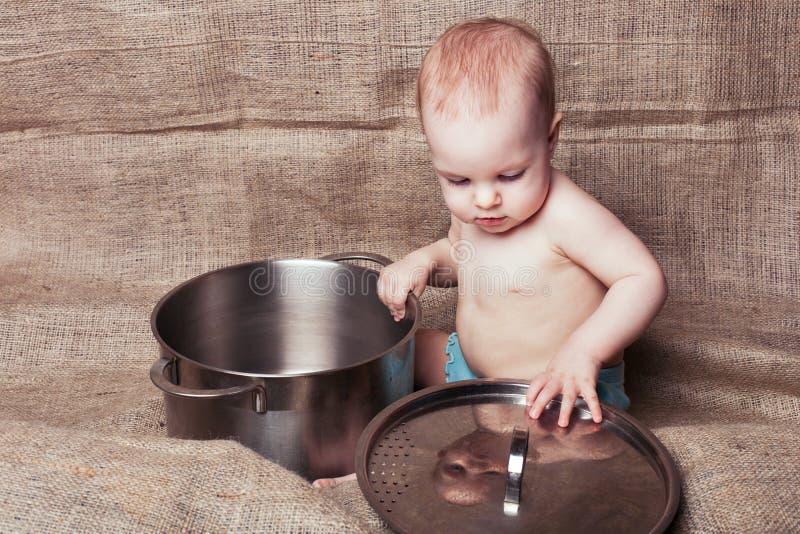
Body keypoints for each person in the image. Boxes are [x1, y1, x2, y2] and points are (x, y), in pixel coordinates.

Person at [312, 16, 666, 488]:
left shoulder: (568, 216)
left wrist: (584, 350)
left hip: (553, 395)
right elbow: (462, 254)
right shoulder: (482, 210)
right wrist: (425, 259)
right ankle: (357, 444)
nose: (484, 200)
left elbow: (642, 279)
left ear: (550, 138)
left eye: (510, 175)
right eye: (458, 180)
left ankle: (397, 468)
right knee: (391, 356)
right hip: (468, 369)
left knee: (580, 453)